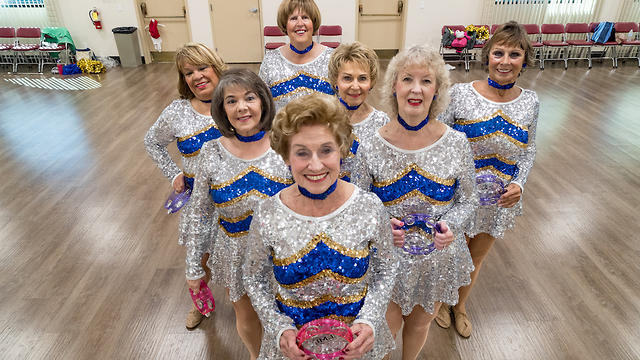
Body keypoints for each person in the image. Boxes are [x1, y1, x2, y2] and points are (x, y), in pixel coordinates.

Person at [243, 93, 398, 360]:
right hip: (294, 351)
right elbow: (254, 278)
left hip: (354, 348)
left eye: (326, 150)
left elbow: (386, 267)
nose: (315, 165)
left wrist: (370, 318)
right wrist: (278, 327)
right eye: (302, 153)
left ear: (341, 150)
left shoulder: (369, 206)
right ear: (286, 157)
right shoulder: (267, 212)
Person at [352, 44, 476, 360]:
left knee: (420, 325)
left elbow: (469, 200)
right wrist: (381, 224)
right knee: (383, 327)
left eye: (426, 81)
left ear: (437, 90)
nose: (416, 89)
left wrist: (452, 224)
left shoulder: (457, 143)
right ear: (394, 86)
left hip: (437, 259)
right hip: (387, 259)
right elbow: (357, 206)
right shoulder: (371, 144)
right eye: (407, 79)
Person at [436, 20, 539, 338]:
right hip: (457, 196)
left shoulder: (531, 102)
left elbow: (528, 150)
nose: (505, 61)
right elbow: (439, 142)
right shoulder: (459, 94)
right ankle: (441, 301)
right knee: (451, 251)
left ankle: (460, 305)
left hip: (498, 199)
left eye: (514, 54)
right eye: (499, 52)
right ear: (487, 55)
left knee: (476, 257)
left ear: (525, 60)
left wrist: (519, 184)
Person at [181, 68, 292, 360]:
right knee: (247, 315)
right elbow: (199, 213)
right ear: (222, 109)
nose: (241, 107)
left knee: (287, 316)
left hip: (285, 251)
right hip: (235, 250)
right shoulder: (210, 152)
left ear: (264, 103)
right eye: (231, 101)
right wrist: (193, 267)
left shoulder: (287, 144)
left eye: (249, 98)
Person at [143, 42, 227, 330]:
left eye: (203, 67)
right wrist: (173, 173)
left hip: (237, 194)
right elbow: (152, 141)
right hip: (198, 201)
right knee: (200, 254)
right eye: (188, 72)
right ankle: (200, 303)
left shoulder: (237, 100)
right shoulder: (176, 112)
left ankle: (253, 304)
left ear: (217, 67)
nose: (197, 76)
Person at [327, 42, 390, 182]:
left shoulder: (381, 122)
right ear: (335, 81)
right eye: (347, 78)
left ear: (371, 81)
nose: (355, 86)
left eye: (362, 78)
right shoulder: (321, 118)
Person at [259, 0, 334, 111]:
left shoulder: (332, 58)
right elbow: (260, 101)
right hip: (281, 127)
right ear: (285, 24)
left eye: (305, 17)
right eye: (293, 18)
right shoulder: (271, 60)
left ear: (313, 22)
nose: (300, 23)